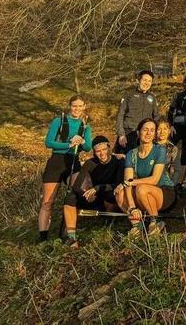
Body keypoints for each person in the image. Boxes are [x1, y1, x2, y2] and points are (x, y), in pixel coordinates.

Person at [39, 95, 93, 242]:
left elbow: (88, 147)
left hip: (73, 161)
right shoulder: (59, 121)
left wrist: (81, 140)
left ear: (84, 107)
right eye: (74, 106)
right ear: (70, 106)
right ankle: (42, 238)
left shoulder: (85, 125)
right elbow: (48, 142)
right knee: (48, 202)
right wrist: (69, 144)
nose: (77, 109)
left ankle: (68, 232)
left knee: (75, 194)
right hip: (57, 161)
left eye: (80, 106)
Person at [115, 118, 177, 237]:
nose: (148, 133)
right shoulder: (131, 154)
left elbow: (154, 179)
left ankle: (155, 221)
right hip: (142, 192)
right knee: (120, 192)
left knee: (141, 188)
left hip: (164, 192)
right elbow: (127, 181)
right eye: (145, 130)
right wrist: (132, 207)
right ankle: (136, 226)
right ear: (138, 132)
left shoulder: (160, 150)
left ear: (154, 134)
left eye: (152, 130)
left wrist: (130, 183)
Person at [62, 136, 123, 247]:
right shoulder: (90, 163)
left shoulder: (118, 161)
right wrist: (84, 195)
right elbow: (76, 186)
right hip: (95, 197)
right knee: (70, 198)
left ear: (109, 148)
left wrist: (98, 188)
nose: (102, 153)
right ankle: (71, 236)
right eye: (98, 151)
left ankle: (109, 223)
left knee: (111, 195)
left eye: (104, 149)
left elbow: (119, 184)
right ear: (94, 152)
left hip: (111, 194)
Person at [115, 70, 160, 154]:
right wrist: (121, 134)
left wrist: (153, 133)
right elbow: (120, 115)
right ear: (139, 80)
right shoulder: (129, 95)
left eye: (149, 81)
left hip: (145, 135)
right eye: (144, 80)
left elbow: (156, 117)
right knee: (124, 162)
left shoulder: (152, 97)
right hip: (129, 133)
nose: (147, 83)